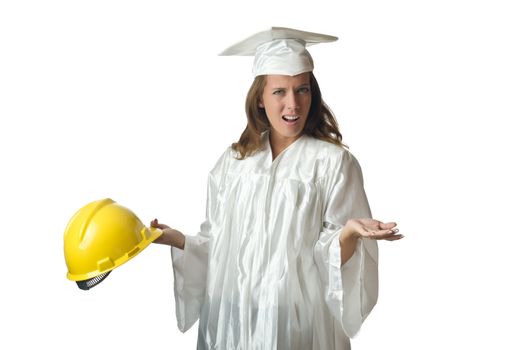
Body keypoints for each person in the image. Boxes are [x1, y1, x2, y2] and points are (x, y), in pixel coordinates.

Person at [151, 27, 403, 350]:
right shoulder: (233, 163)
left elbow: (331, 265)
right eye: (279, 91)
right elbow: (217, 247)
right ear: (260, 97)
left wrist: (348, 234)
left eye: (302, 89)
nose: (293, 104)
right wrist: (177, 239)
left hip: (297, 329)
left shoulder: (332, 164)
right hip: (233, 325)